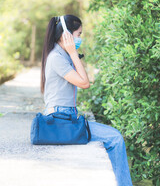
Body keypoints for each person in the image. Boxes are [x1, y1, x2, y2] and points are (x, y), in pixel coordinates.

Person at [40, 14, 133, 186]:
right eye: (79, 34)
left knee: (113, 137)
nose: (80, 39)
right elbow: (85, 83)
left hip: (66, 116)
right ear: (66, 35)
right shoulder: (57, 58)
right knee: (115, 138)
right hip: (61, 119)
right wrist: (73, 52)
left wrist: (72, 53)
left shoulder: (61, 55)